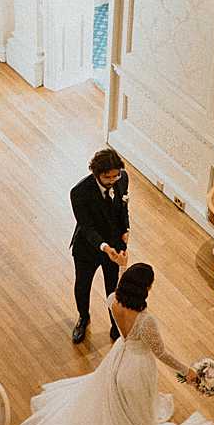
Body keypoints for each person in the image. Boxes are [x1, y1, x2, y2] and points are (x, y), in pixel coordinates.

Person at [21, 261, 214, 425]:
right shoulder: (146, 321)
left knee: (119, 404)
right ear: (145, 288)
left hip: (118, 361)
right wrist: (188, 371)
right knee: (137, 408)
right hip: (136, 368)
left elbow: (115, 287)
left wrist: (122, 267)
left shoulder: (114, 300)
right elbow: (162, 354)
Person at [68, 147, 130, 346]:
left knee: (113, 288)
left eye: (115, 175)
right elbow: (86, 227)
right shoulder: (79, 192)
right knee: (83, 285)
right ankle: (83, 318)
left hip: (115, 245)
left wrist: (126, 229)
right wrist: (104, 247)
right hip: (88, 248)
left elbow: (123, 208)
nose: (113, 180)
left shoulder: (123, 178)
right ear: (96, 173)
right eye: (107, 177)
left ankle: (115, 324)